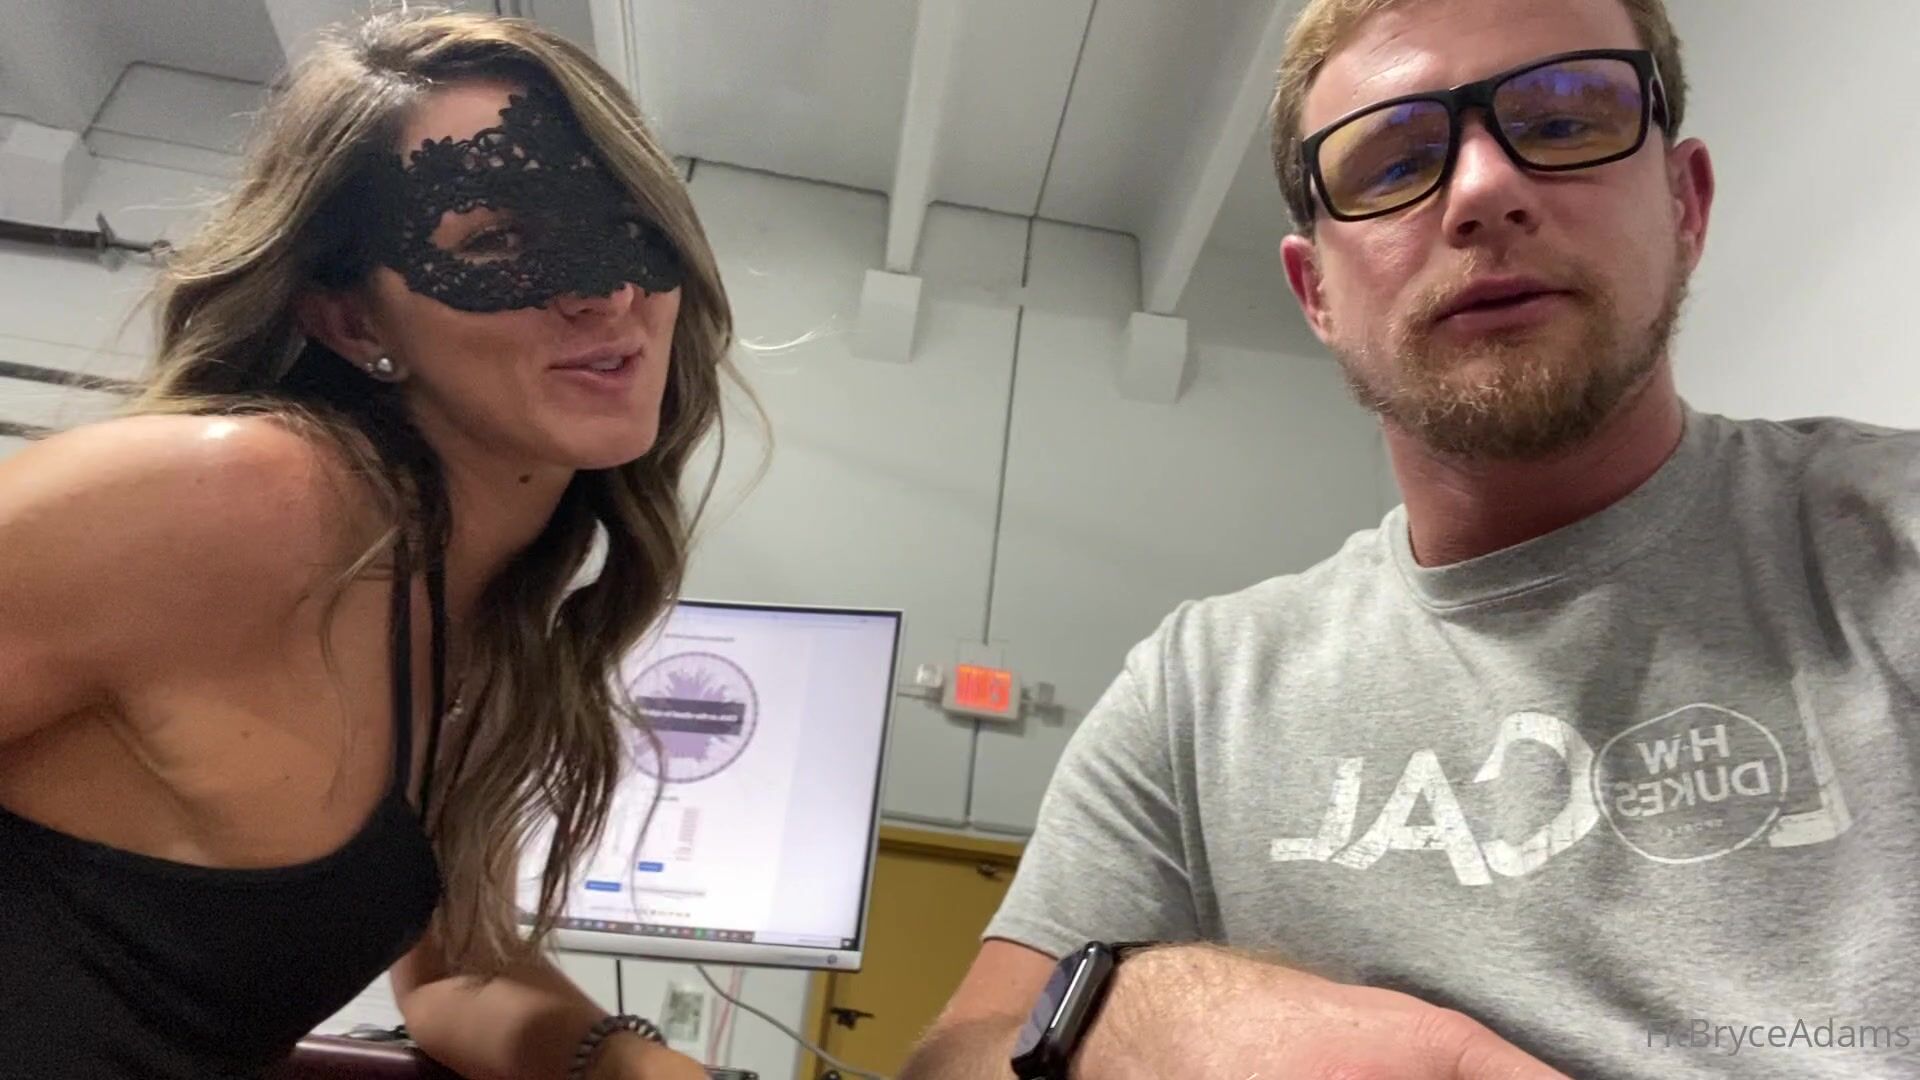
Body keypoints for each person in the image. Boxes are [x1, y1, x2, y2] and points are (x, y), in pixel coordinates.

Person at [902, 0, 1918, 1078]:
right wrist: (1138, 1019)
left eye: (1564, 121)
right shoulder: (1196, 697)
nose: (1482, 189)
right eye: (1393, 164)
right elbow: (959, 1059)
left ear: (1685, 203)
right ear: (1316, 294)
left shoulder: (1888, 537)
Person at [0, 10, 737, 1080]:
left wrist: (635, 1067)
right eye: (496, 242)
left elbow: (450, 975)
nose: (604, 291)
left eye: (626, 224)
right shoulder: (237, 499)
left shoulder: (487, 617)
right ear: (352, 323)